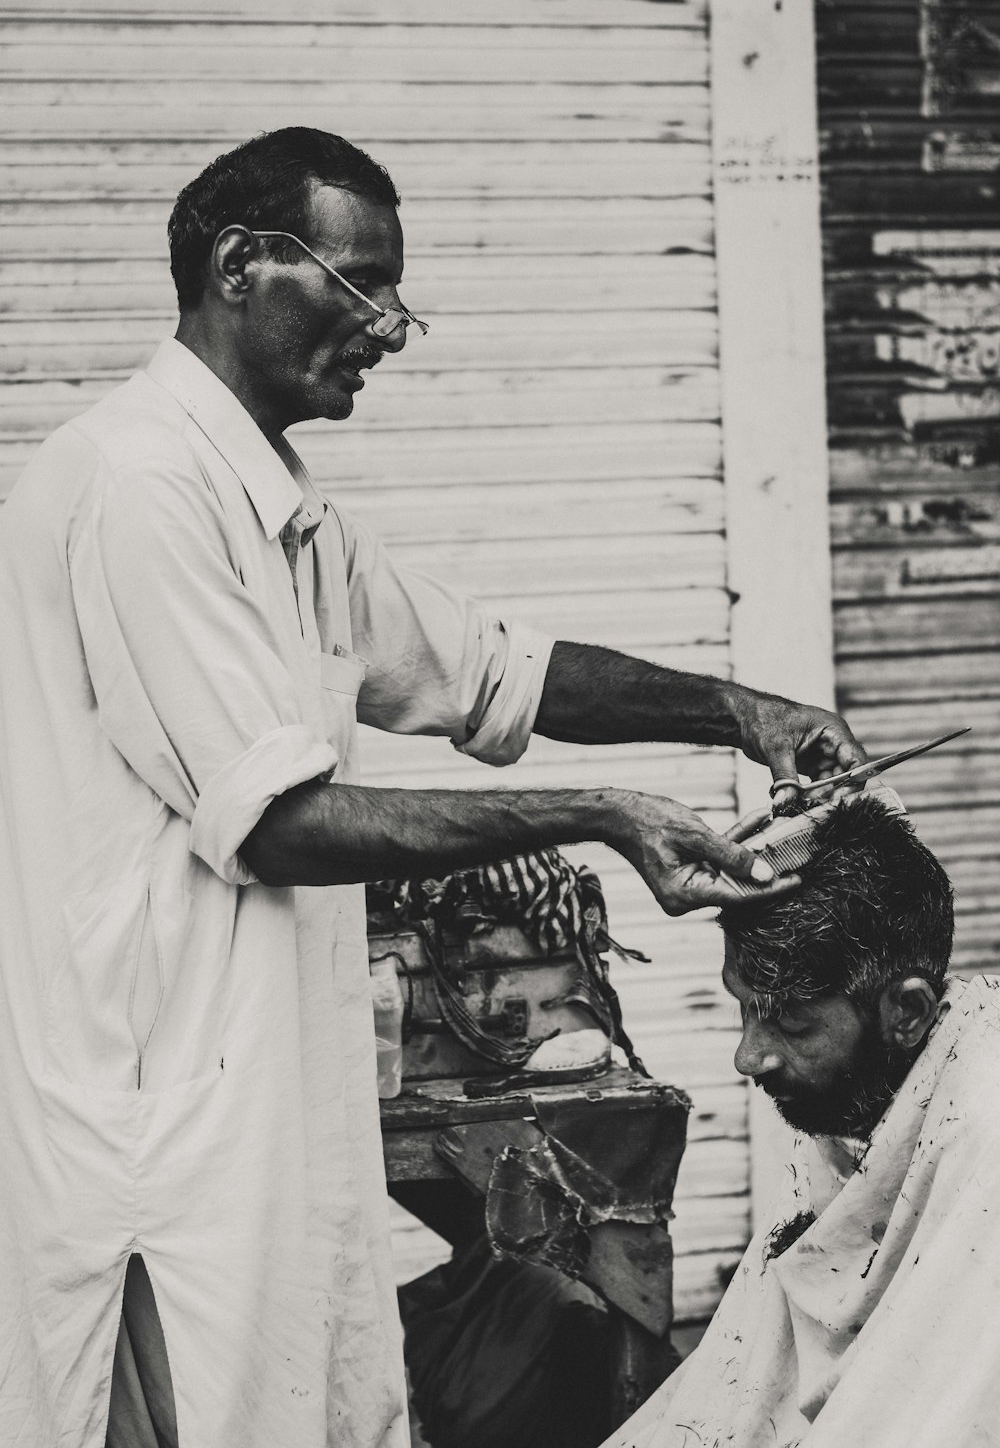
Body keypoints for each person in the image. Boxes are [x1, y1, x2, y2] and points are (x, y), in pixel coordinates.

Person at [0, 126, 865, 1448]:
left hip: (250, 1122)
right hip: (153, 1135)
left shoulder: (277, 515)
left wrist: (741, 712)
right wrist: (604, 815)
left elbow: (490, 669)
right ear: (242, 265)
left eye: (396, 296)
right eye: (362, 287)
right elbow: (277, 823)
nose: (389, 329)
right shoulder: (137, 487)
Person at [603, 787, 1000, 1448]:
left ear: (907, 1011)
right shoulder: (865, 1095)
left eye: (790, 1019)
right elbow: (754, 1381)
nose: (748, 1057)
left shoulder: (983, 1132)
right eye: (745, 1008)